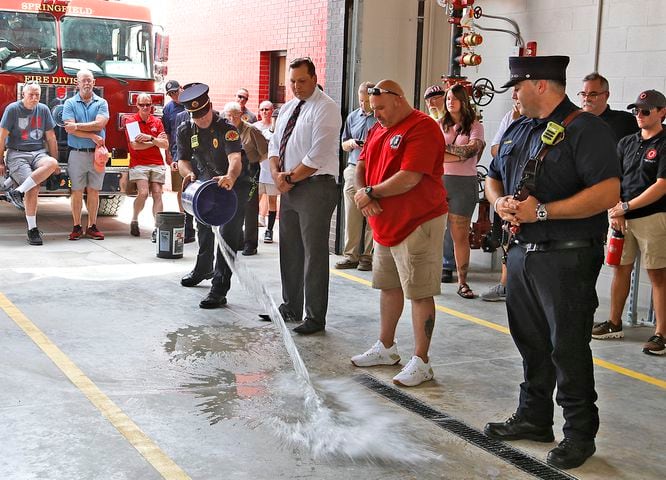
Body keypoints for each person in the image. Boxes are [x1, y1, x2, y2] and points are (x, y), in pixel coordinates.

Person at [483, 55, 620, 470]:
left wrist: (543, 213)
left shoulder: (586, 129)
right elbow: (492, 175)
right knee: (531, 343)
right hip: (523, 255)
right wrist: (499, 201)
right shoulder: (519, 127)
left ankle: (579, 434)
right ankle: (535, 416)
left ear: (541, 85)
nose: (515, 97)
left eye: (519, 88)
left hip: (568, 256)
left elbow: (608, 192)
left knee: (568, 347)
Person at [350, 80, 447, 387]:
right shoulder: (377, 127)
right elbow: (361, 163)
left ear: (398, 99)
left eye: (380, 108)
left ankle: (422, 361)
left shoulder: (423, 127)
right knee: (388, 286)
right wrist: (363, 193)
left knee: (419, 291)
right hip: (385, 224)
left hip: (418, 222)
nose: (375, 114)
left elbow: (410, 177)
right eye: (372, 108)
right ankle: (386, 347)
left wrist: (370, 193)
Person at [265, 57, 340, 335]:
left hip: (315, 187)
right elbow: (275, 144)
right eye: (292, 81)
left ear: (314, 78)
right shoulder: (287, 108)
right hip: (289, 185)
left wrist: (289, 178)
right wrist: (276, 175)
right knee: (290, 250)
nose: (296, 86)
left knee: (314, 254)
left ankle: (314, 316)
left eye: (302, 81)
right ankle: (291, 306)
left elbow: (317, 154)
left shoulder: (326, 108)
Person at [592, 90, 666, 356]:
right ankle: (614, 322)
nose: (639, 115)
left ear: (661, 112)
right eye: (636, 111)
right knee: (620, 269)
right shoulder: (626, 143)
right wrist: (618, 209)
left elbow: (661, 185)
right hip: (623, 217)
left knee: (658, 275)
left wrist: (626, 206)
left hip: (653, 217)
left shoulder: (665, 143)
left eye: (646, 111)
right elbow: (615, 178)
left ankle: (661, 334)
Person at [177, 84, 250, 309]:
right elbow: (182, 160)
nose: (201, 120)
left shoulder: (226, 128)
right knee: (204, 228)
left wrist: (229, 177)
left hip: (233, 186)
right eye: (196, 116)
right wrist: (188, 173)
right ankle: (203, 268)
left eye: (204, 114)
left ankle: (219, 288)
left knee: (227, 236)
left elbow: (235, 159)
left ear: (209, 107)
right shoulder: (185, 129)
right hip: (206, 187)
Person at [439, 84, 485, 299]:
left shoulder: (475, 125)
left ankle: (462, 282)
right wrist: (460, 154)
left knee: (459, 235)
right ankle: (430, 276)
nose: (450, 101)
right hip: (440, 181)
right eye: (447, 98)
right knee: (435, 231)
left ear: (463, 101)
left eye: (455, 98)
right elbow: (432, 152)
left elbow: (472, 150)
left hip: (464, 184)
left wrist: (450, 152)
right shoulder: (440, 124)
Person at [0, 82, 60, 245]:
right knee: (33, 187)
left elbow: (51, 137)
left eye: (37, 95)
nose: (34, 98)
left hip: (38, 153)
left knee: (52, 162)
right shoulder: (12, 109)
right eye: (31, 94)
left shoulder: (44, 109)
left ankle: (17, 191)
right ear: (23, 95)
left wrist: (56, 166)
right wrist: (0, 162)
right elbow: (2, 136)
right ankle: (32, 229)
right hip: (17, 154)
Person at [480, 103, 521, 302]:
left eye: (519, 90)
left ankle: (514, 286)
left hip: (527, 198)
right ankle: (505, 285)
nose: (515, 96)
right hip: (506, 191)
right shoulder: (509, 119)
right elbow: (496, 150)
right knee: (506, 239)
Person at [62, 68, 109, 240]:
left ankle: (92, 226)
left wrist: (78, 127)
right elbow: (69, 129)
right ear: (77, 83)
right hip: (77, 154)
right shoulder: (69, 103)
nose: (87, 83)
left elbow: (100, 124)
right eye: (84, 80)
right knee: (76, 191)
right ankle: (76, 226)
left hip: (97, 155)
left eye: (90, 80)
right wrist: (91, 135)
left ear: (94, 83)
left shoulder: (102, 103)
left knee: (94, 191)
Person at [335, 81, 377, 271]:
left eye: (366, 101)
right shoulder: (353, 116)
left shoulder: (380, 118)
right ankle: (350, 255)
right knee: (351, 212)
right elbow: (342, 144)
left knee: (372, 213)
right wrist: (351, 142)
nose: (363, 105)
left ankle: (367, 256)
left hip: (374, 169)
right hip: (353, 166)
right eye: (360, 101)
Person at [223, 101, 268, 256]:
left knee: (250, 207)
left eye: (234, 115)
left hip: (251, 171)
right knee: (234, 206)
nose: (231, 118)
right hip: (233, 171)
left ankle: (251, 243)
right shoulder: (226, 131)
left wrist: (254, 165)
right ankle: (238, 239)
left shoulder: (251, 130)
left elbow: (265, 150)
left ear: (241, 115)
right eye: (228, 115)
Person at [125, 93, 169, 241]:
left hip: (157, 163)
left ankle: (157, 228)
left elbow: (166, 144)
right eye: (142, 105)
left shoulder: (157, 122)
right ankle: (134, 219)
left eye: (148, 104)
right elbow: (135, 146)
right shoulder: (131, 121)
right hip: (138, 164)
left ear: (152, 105)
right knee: (143, 193)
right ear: (137, 105)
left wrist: (150, 138)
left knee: (157, 193)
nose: (145, 107)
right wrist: (156, 142)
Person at [162, 79, 195, 243]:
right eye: (171, 94)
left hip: (197, 155)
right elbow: (169, 133)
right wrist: (169, 154)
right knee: (181, 190)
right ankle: (186, 226)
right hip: (178, 154)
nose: (174, 96)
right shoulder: (168, 108)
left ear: (182, 89)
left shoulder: (192, 102)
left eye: (176, 92)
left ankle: (195, 224)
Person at [578, 73, 639, 143]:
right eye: (583, 94)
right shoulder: (572, 121)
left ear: (606, 95)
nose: (586, 98)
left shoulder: (626, 122)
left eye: (593, 94)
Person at [253, 100, 279, 243]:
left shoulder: (277, 130)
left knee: (272, 201)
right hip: (259, 169)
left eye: (267, 110)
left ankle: (269, 230)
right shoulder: (255, 128)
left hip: (271, 170)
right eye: (262, 109)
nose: (265, 112)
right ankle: (253, 229)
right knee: (254, 201)